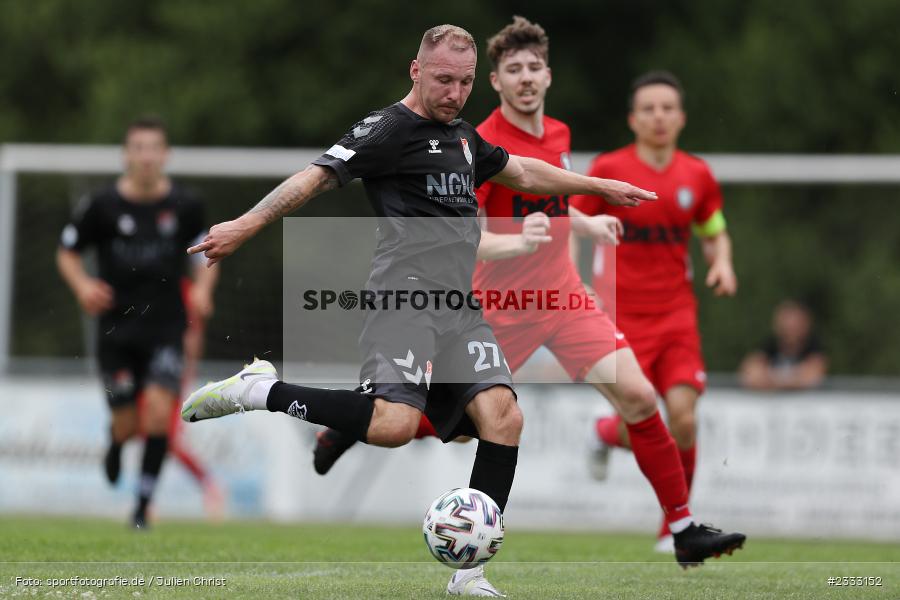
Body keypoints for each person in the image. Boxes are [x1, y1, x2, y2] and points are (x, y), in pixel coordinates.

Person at [181, 24, 658, 596]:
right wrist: (246, 223)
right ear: (416, 71)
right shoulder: (388, 130)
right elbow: (311, 180)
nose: (455, 93)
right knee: (393, 427)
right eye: (443, 80)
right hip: (404, 298)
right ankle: (260, 390)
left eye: (463, 82)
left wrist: (597, 185)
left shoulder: (462, 137)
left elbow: (526, 172)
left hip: (460, 307)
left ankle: (470, 575)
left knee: (503, 418)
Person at [311, 17, 745, 571]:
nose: (525, 78)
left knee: (638, 396)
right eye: (513, 70)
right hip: (500, 309)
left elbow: (550, 208)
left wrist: (584, 227)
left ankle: (682, 530)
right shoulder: (476, 143)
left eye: (533, 68)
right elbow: (461, 240)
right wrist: (515, 245)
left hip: (564, 299)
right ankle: (346, 428)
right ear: (494, 81)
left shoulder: (558, 135)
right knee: (435, 425)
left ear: (548, 75)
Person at [571, 71, 738, 552]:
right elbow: (570, 220)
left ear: (681, 117)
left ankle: (675, 528)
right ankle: (606, 432)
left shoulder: (697, 176)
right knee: (640, 422)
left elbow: (714, 230)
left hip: (677, 317)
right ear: (633, 118)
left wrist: (722, 263)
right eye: (649, 109)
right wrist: (574, 279)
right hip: (620, 317)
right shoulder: (609, 167)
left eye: (667, 108)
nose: (659, 116)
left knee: (683, 418)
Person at [57, 116, 220, 528]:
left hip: (166, 327)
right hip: (116, 330)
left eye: (154, 148)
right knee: (128, 424)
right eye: (139, 148)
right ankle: (115, 443)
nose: (146, 157)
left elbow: (208, 254)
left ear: (165, 155)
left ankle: (142, 506)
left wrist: (202, 290)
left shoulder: (185, 205)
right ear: (127, 155)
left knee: (158, 413)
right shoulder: (102, 205)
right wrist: (82, 286)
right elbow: (67, 252)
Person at [739, 299, 827, 390]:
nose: (790, 329)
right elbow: (751, 373)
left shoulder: (813, 348)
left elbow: (812, 376)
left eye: (795, 324)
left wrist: (771, 380)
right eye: (787, 324)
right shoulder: (769, 346)